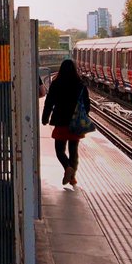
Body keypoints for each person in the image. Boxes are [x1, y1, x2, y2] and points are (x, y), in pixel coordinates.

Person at [41, 58, 89, 187]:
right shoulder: (80, 84)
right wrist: (83, 118)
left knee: (59, 150)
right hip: (75, 122)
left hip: (61, 121)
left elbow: (49, 102)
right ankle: (72, 177)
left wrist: (45, 118)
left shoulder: (57, 84)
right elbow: (87, 105)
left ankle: (67, 167)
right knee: (74, 151)